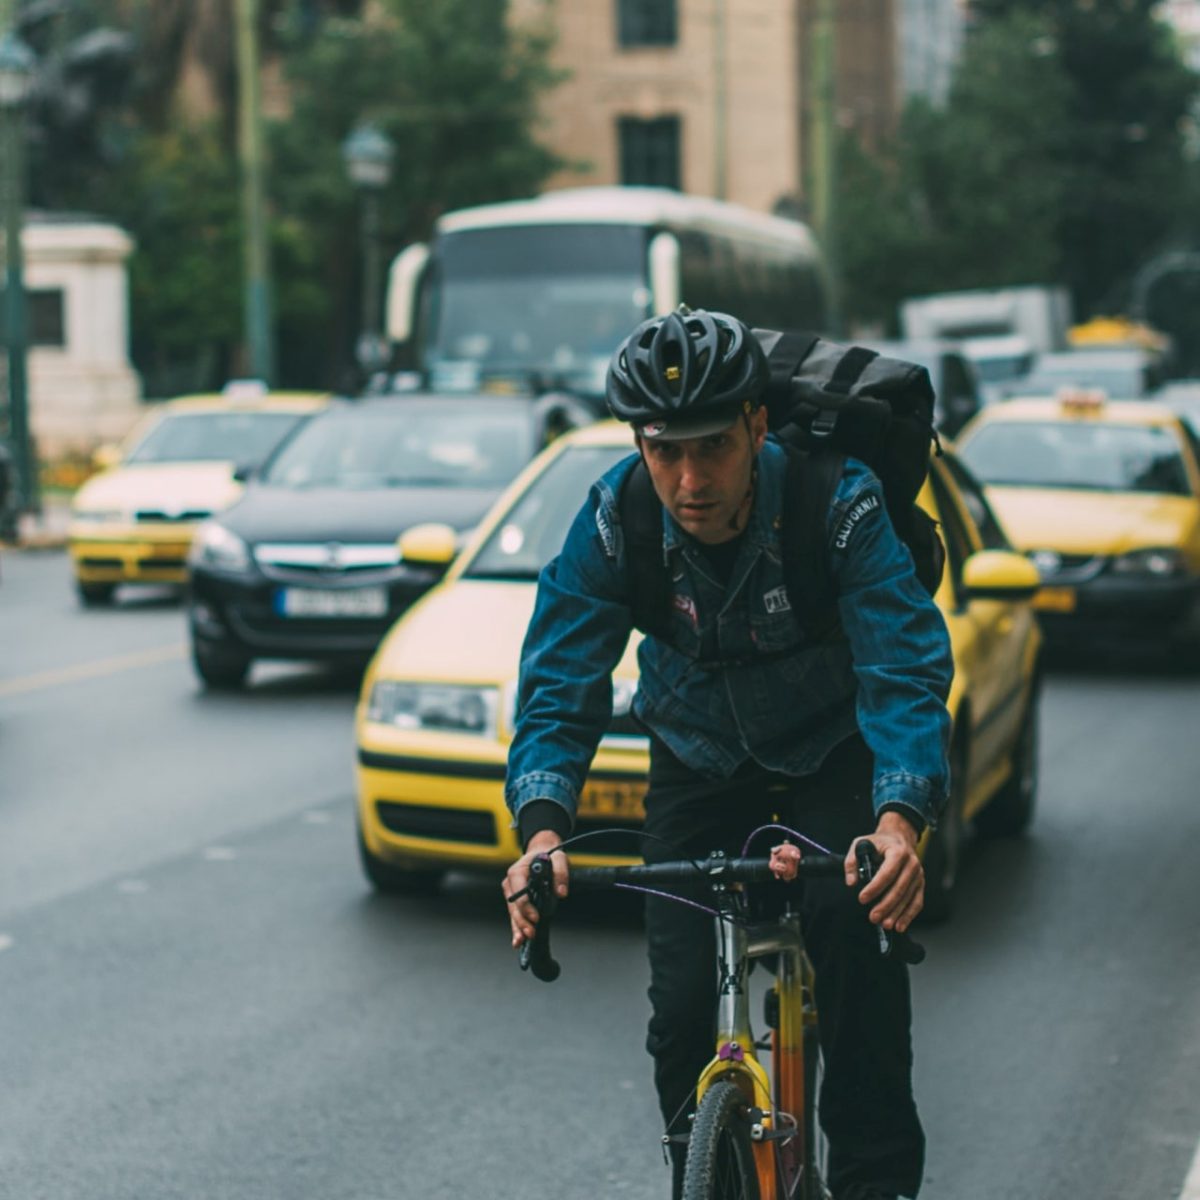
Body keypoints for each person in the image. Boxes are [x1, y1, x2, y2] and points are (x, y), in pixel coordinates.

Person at [503, 308, 953, 1200]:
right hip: (697, 757)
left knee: (860, 975)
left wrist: (898, 823)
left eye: (711, 446)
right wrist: (544, 832)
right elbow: (560, 677)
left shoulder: (840, 502)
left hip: (833, 753)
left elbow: (900, 667)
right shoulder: (616, 517)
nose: (686, 479)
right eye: (663, 450)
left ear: (756, 425)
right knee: (677, 1020)